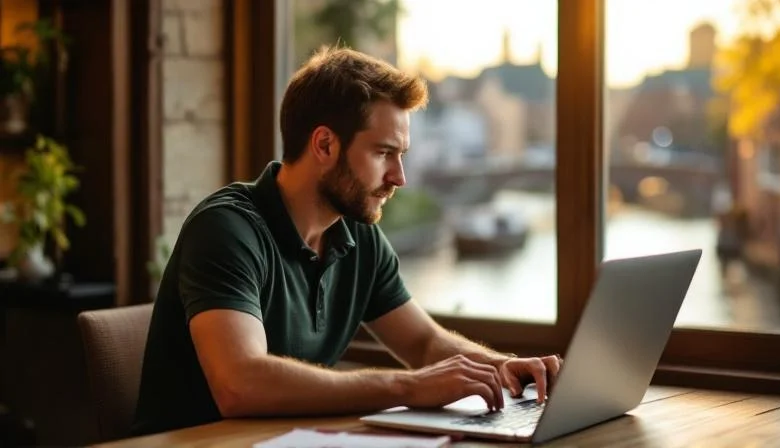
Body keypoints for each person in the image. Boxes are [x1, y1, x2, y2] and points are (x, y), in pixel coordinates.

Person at [131, 46, 562, 437]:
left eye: (401, 155)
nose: (399, 177)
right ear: (324, 144)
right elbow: (240, 384)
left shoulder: (358, 236)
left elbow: (425, 344)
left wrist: (503, 368)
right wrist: (408, 386)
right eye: (383, 153)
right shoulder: (227, 229)